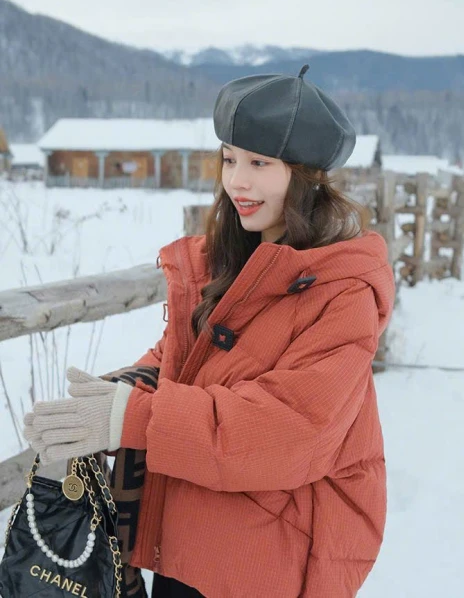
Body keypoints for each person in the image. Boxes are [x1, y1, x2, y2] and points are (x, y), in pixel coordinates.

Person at [24, 65, 395, 597]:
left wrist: (133, 418)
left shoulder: (342, 292)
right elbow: (184, 356)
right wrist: (121, 391)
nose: (237, 181)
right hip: (188, 533)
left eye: (259, 163)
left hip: (265, 560)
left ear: (307, 175)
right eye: (229, 158)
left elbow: (289, 429)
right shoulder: (228, 261)